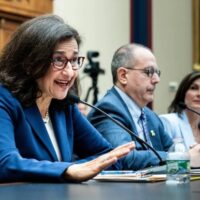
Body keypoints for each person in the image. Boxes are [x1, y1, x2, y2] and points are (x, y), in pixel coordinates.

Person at [0, 14, 135, 183]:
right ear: (30, 62)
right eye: (59, 60)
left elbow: (108, 158)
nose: (70, 72)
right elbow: (4, 164)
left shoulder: (64, 106)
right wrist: (68, 169)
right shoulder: (4, 100)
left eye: (73, 60)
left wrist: (75, 168)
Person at [88, 43, 173, 170]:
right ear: (123, 76)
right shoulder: (107, 109)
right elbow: (123, 158)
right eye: (149, 72)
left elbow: (171, 149)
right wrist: (180, 157)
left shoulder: (150, 116)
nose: (156, 80)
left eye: (157, 73)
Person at [160, 72, 200, 167]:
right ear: (183, 93)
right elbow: (162, 163)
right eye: (194, 88)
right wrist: (189, 156)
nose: (199, 94)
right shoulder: (168, 122)